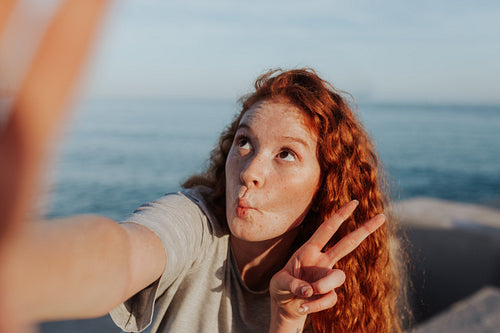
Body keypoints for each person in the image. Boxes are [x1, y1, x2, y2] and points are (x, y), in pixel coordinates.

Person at [0, 2, 404, 333]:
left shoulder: (329, 286)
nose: (249, 171)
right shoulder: (195, 224)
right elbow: (121, 257)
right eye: (245, 142)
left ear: (325, 185)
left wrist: (288, 320)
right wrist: (20, 270)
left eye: (286, 154)